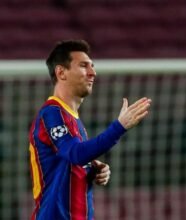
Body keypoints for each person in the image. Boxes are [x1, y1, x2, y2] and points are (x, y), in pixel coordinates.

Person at [28, 40, 152, 220]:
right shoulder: (52, 113)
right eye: (84, 66)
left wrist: (93, 168)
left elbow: (70, 161)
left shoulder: (73, 120)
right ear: (61, 72)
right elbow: (76, 153)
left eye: (92, 66)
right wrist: (119, 127)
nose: (93, 73)